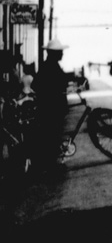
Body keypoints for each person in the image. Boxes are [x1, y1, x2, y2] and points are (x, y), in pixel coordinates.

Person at [31, 38, 72, 174]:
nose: (62, 54)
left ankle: (50, 165)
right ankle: (50, 167)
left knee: (52, 136)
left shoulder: (50, 65)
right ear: (53, 53)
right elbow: (37, 85)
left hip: (51, 108)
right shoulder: (50, 66)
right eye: (60, 52)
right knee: (51, 136)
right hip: (51, 109)